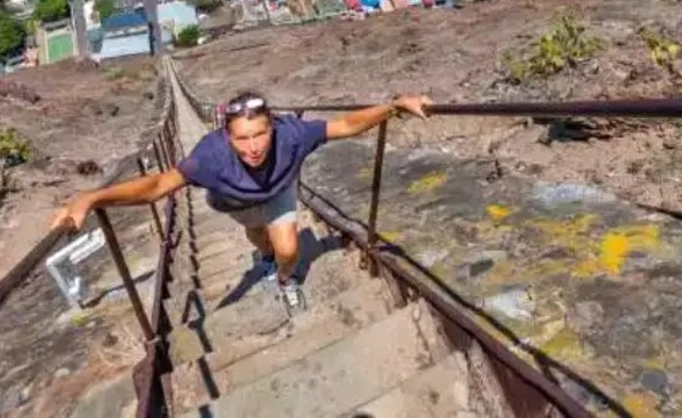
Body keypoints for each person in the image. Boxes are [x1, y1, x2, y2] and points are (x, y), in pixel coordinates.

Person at [50, 90, 432, 311]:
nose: (253, 146)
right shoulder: (209, 157)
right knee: (259, 238)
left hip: (279, 189)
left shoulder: (294, 134)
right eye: (242, 138)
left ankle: (283, 280)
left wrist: (394, 106)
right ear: (227, 137)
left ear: (273, 126)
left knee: (288, 248)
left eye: (260, 134)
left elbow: (346, 125)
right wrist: (93, 197)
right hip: (234, 201)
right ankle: (263, 255)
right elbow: (156, 186)